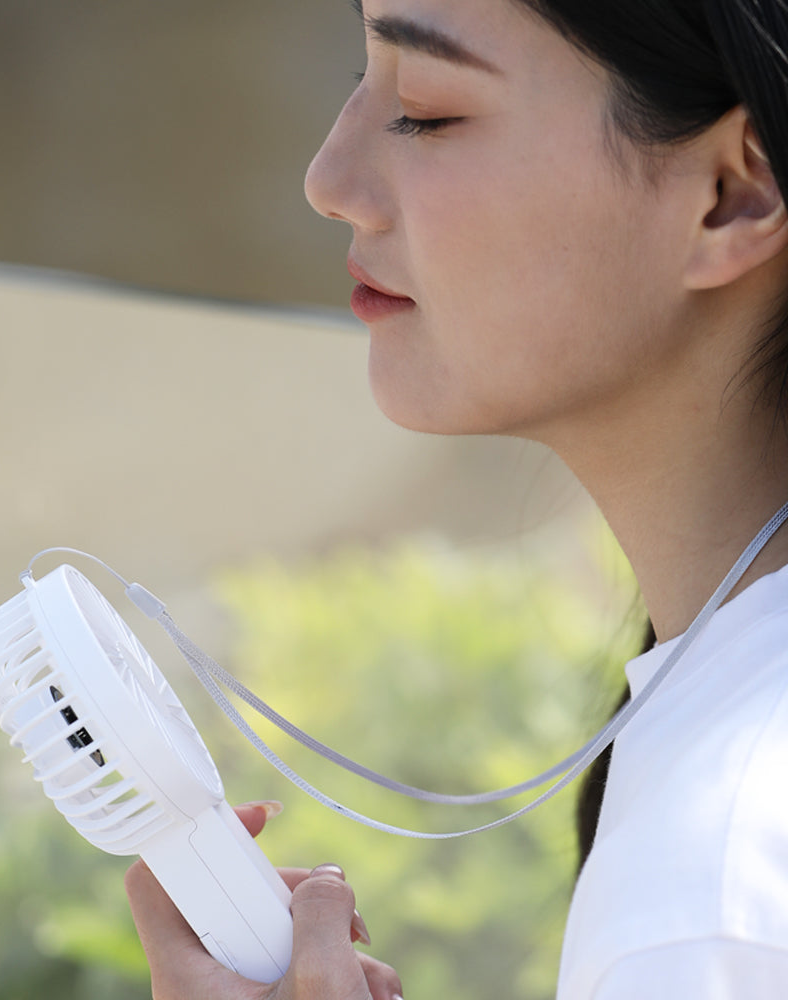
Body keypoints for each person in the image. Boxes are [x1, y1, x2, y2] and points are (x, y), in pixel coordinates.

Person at [125, 0, 788, 996]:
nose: (327, 181)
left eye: (427, 110)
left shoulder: (715, 896)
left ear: (729, 195)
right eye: (359, 80)